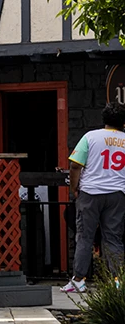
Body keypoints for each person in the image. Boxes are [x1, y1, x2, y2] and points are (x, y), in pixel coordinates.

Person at [62, 102, 125, 293]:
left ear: (104, 119)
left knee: (85, 236)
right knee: (113, 239)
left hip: (90, 192)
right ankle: (118, 283)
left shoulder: (90, 137)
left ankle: (79, 280)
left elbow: (75, 165)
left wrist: (74, 188)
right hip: (117, 194)